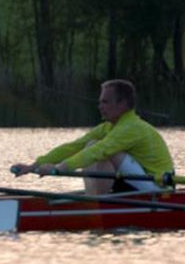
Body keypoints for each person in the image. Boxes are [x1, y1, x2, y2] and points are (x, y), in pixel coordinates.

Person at [12, 78, 174, 195]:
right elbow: (73, 147)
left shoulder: (131, 128)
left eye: (105, 102)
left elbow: (98, 151)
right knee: (90, 144)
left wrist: (58, 169)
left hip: (159, 188)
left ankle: (95, 202)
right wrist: (33, 166)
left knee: (100, 149)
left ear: (122, 104)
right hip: (136, 184)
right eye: (99, 102)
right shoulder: (108, 127)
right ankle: (95, 199)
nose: (100, 107)